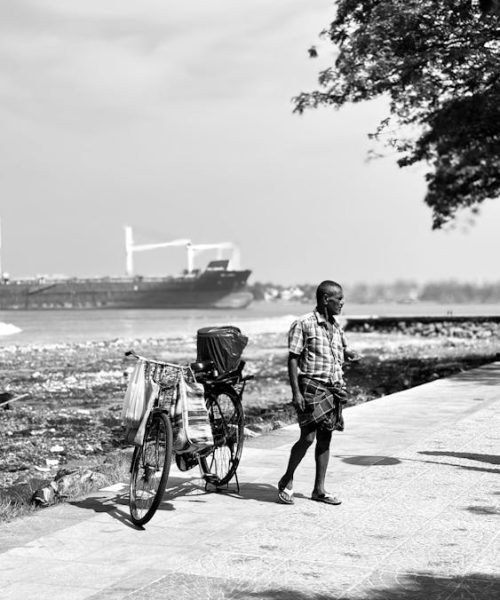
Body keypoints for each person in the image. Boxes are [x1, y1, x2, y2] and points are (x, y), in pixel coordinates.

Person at [277, 280, 359, 506]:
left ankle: (319, 490)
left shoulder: (336, 326)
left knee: (325, 438)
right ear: (326, 299)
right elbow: (293, 358)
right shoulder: (303, 324)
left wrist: (350, 355)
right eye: (339, 299)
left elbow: (342, 351)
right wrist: (296, 393)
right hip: (311, 387)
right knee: (308, 437)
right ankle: (287, 478)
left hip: (334, 389)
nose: (342, 303)